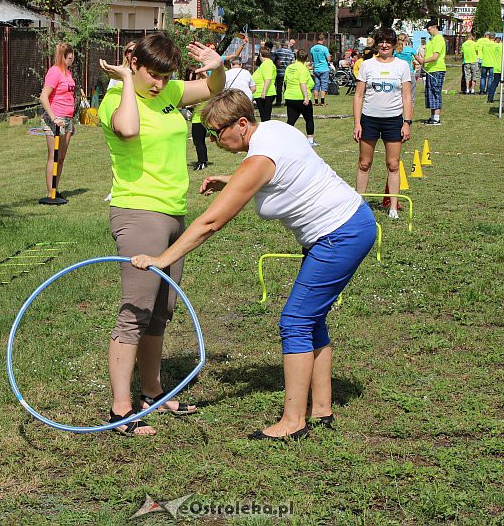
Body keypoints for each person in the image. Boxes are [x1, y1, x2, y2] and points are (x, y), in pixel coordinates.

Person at [131, 89, 377, 440]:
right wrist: (231, 181)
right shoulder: (276, 130)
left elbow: (210, 223)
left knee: (295, 321)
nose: (215, 141)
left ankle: (293, 422)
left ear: (242, 124)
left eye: (218, 133)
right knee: (311, 319)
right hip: (350, 225)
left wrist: (163, 259)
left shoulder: (259, 158)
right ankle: (321, 409)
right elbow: (286, 173)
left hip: (339, 235)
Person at [97, 33, 225, 436]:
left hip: (173, 213)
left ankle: (152, 392)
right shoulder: (115, 100)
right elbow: (129, 131)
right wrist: (124, 81)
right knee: (135, 310)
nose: (158, 83)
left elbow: (211, 88)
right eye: (152, 74)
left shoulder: (168, 89)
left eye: (164, 76)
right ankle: (121, 410)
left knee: (161, 311)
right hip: (138, 213)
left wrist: (216, 64)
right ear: (133, 63)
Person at [353, 28, 412, 220]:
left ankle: (393, 207)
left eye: (388, 41)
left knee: (393, 164)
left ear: (394, 44)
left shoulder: (402, 66)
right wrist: (357, 123)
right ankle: (359, 205)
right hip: (369, 119)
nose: (384, 45)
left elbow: (406, 96)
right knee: (364, 163)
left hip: (393, 120)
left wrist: (407, 122)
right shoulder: (367, 65)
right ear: (376, 44)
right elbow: (359, 95)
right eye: (381, 41)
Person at [39, 43, 76, 201]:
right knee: (53, 157)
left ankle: (56, 188)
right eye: (69, 57)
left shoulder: (67, 73)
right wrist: (54, 117)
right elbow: (43, 97)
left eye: (72, 57)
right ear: (63, 56)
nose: (72, 60)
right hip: (55, 120)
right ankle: (50, 192)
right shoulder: (54, 72)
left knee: (61, 157)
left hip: (67, 120)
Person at [284, 50, 317, 146]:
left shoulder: (289, 67)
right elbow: (302, 83)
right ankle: (310, 140)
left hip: (290, 97)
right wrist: (306, 97)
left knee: (291, 120)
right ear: (306, 59)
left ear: (295, 56)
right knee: (309, 119)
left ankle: (286, 139)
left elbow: (286, 81)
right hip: (300, 97)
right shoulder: (303, 69)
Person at [418, 21, 446, 125]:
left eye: (428, 29)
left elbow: (435, 57)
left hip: (437, 69)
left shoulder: (438, 39)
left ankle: (437, 118)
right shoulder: (432, 40)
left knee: (435, 92)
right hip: (430, 70)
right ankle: (432, 117)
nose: (427, 31)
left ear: (434, 27)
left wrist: (423, 61)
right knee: (430, 94)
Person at [252, 47, 277, 121]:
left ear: (260, 54)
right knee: (264, 117)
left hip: (265, 94)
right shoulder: (265, 64)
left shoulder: (267, 64)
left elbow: (268, 78)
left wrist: (264, 92)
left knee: (265, 118)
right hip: (261, 93)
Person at [394, 34, 417, 107]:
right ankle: (409, 118)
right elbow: (420, 61)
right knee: (411, 98)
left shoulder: (395, 51)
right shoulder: (411, 50)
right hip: (409, 73)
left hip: (398, 74)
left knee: (399, 97)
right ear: (406, 40)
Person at [309, 36, 332, 106]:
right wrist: (330, 56)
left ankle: (316, 101)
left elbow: (312, 59)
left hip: (316, 69)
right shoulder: (324, 48)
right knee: (324, 85)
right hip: (324, 69)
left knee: (316, 85)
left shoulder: (312, 49)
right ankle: (322, 101)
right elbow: (328, 59)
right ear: (323, 40)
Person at [272, 40, 295, 107]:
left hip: (279, 72)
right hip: (287, 72)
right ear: (287, 45)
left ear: (281, 45)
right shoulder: (290, 53)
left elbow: (274, 61)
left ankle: (278, 102)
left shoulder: (277, 52)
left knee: (278, 88)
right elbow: (292, 62)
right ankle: (287, 101)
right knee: (287, 88)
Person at [478, 33, 495, 98]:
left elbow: (480, 51)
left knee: (483, 77)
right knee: (490, 78)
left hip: (484, 62)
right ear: (494, 38)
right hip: (492, 63)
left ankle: (482, 90)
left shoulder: (484, 44)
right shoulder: (495, 45)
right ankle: (488, 90)